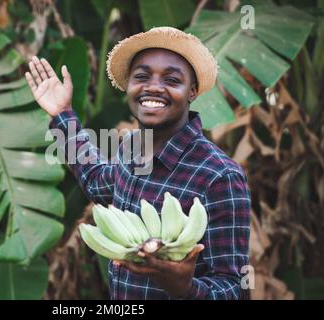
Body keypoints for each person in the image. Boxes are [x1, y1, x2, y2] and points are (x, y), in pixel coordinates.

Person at [25, 27, 251, 300]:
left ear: (192, 92)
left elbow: (234, 289)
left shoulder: (219, 176)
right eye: (141, 76)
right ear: (129, 87)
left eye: (171, 79)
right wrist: (62, 113)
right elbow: (99, 182)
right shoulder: (130, 147)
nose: (153, 86)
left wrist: (186, 289)